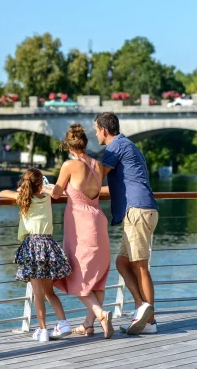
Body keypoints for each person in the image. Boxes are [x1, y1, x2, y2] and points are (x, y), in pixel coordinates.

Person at [46, 124, 114, 339]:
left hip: (81, 225)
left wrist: (43, 187)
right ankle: (89, 324)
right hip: (98, 220)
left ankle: (101, 314)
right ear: (84, 143)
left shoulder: (69, 165)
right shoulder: (98, 165)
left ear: (68, 145)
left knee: (77, 275)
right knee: (97, 277)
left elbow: (56, 193)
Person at [94, 112, 159, 335]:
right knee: (123, 263)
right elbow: (116, 186)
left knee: (140, 266)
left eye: (95, 130)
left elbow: (96, 177)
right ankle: (143, 309)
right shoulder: (127, 145)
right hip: (141, 210)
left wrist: (71, 182)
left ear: (104, 130)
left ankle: (150, 320)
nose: (95, 134)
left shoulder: (114, 147)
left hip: (137, 212)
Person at [0, 168, 72, 342]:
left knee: (38, 293)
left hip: (32, 246)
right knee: (49, 291)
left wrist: (21, 190)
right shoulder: (47, 197)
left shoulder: (23, 198)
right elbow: (58, 191)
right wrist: (45, 187)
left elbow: (2, 193)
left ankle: (43, 330)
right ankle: (63, 322)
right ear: (42, 182)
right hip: (48, 244)